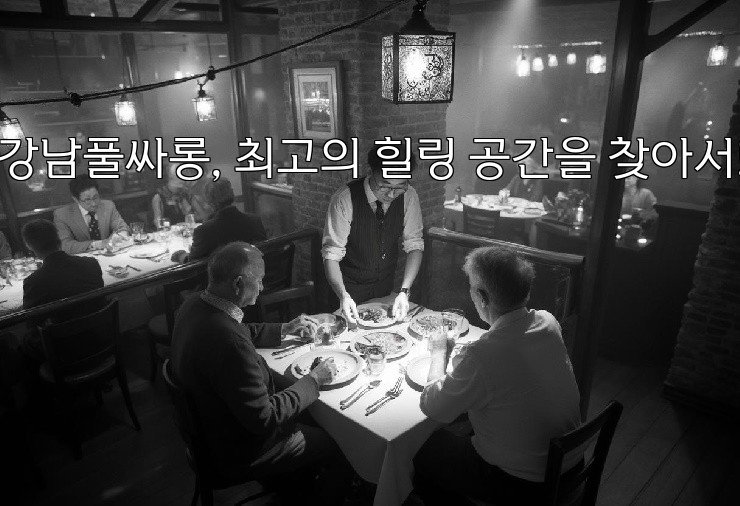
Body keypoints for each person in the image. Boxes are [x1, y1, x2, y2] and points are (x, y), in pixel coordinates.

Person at [169, 242, 353, 504]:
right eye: (259, 280)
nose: (263, 287)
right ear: (238, 284)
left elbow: (239, 331)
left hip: (208, 431)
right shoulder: (228, 341)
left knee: (310, 411)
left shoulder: (195, 305)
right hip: (237, 450)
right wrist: (315, 379)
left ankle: (293, 484)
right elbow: (265, 418)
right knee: (340, 442)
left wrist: (284, 329)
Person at [412, 246, 582, 505]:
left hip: (523, 486)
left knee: (423, 448)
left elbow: (433, 407)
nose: (470, 293)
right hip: (571, 463)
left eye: (471, 287)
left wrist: (438, 352)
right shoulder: (548, 322)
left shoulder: (482, 355)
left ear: (482, 298)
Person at [322, 146, 424, 324]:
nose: (392, 194)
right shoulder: (345, 199)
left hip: (385, 288)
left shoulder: (409, 195)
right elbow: (331, 255)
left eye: (400, 186)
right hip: (347, 289)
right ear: (370, 172)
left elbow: (414, 245)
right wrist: (343, 295)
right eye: (384, 186)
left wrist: (404, 291)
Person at [20, 220, 104, 360]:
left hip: (64, 354)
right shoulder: (91, 264)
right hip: (100, 338)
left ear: (29, 246)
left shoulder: (34, 281)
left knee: (20, 340)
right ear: (58, 238)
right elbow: (99, 302)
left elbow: (31, 325)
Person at [173, 178, 267, 262]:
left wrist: (181, 255)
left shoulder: (204, 231)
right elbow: (264, 253)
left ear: (208, 202)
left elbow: (192, 264)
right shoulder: (255, 221)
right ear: (232, 194)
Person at [53, 175, 129, 254]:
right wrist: (97, 244)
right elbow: (65, 245)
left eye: (95, 197)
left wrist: (119, 236)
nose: (93, 204)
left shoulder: (108, 206)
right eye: (87, 200)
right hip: (82, 259)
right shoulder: (62, 215)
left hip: (110, 255)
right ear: (76, 199)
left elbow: (122, 227)